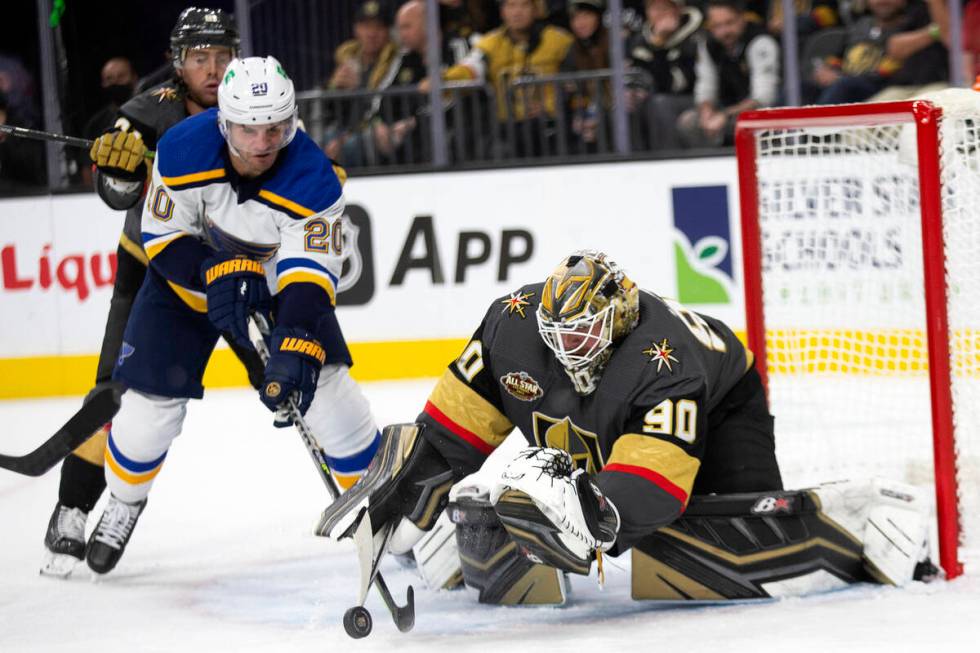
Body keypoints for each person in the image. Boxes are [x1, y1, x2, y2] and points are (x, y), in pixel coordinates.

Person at [343, 250, 934, 605]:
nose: (568, 349)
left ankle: (867, 530)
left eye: (581, 335)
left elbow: (657, 482)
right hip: (603, 427)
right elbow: (453, 425)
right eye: (558, 338)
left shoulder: (664, 361)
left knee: (725, 516)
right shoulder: (512, 324)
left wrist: (589, 519)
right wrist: (410, 483)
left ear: (617, 318)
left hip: (725, 400)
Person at [78, 55, 381, 576]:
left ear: (291, 122)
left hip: (271, 286)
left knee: (330, 395)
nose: (262, 143)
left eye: (275, 128)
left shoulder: (315, 180)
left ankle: (390, 520)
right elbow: (164, 240)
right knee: (148, 416)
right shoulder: (181, 148)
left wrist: (293, 343)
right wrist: (213, 272)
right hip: (182, 290)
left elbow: (309, 280)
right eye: (247, 128)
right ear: (223, 122)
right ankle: (125, 502)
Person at [40, 8, 265, 578]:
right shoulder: (146, 112)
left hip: (237, 270)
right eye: (199, 59)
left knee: (285, 377)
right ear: (178, 63)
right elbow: (116, 191)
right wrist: (116, 173)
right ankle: (84, 505)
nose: (213, 70)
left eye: (222, 57)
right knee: (117, 392)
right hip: (154, 271)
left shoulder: (261, 106)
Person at [435, 0, 574, 157]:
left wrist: (549, 107)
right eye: (511, 6)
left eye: (524, 5)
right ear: (502, 12)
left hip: (551, 126)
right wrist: (442, 79)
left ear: (536, 10)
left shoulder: (559, 41)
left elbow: (573, 83)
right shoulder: (491, 43)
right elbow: (471, 68)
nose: (517, 12)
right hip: (508, 130)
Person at [677, 0, 780, 148]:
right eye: (717, 26)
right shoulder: (708, 45)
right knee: (689, 121)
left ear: (742, 18)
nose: (724, 31)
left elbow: (763, 98)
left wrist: (724, 115)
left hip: (764, 114)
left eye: (729, 23)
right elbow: (705, 85)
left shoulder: (760, 41)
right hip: (727, 111)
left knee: (746, 125)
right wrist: (706, 110)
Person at [626, 0, 703, 150]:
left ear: (678, 10)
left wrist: (660, 45)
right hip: (655, 98)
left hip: (694, 98)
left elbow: (677, 85)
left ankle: (669, 160)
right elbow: (637, 73)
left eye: (664, 8)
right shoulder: (640, 39)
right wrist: (632, 92)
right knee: (626, 106)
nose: (659, 14)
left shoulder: (695, 36)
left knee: (660, 104)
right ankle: (632, 162)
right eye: (653, 8)